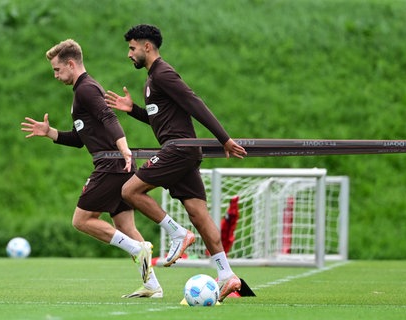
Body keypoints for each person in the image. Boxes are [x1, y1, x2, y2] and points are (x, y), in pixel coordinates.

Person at [104, 24, 248, 302]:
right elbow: (160, 119)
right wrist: (132, 110)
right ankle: (226, 275)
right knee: (199, 214)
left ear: (147, 47)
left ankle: (177, 234)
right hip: (182, 152)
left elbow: (195, 103)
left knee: (129, 191)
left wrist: (224, 139)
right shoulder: (152, 79)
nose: (128, 54)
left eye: (132, 48)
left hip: (178, 150)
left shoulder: (163, 73)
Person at [21, 39, 162, 298]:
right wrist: (50, 132)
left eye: (57, 69)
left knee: (82, 220)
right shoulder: (82, 91)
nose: (55, 75)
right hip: (118, 164)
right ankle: (152, 285)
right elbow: (79, 139)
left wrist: (123, 148)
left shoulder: (86, 89)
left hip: (111, 165)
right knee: (125, 227)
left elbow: (109, 117)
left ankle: (136, 249)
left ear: (71, 64)